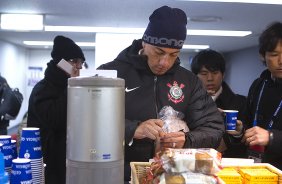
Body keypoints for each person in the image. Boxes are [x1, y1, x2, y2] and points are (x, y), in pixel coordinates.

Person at [97, 6, 224, 182]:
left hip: (171, 175)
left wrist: (187, 140)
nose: (164, 62)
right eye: (159, 52)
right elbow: (89, 122)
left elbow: (213, 128)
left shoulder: (189, 81)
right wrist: (132, 129)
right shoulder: (110, 73)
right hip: (118, 174)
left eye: (173, 55)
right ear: (144, 42)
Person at [27, 35, 86, 184]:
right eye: (74, 61)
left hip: (71, 159)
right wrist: (71, 86)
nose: (79, 67)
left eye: (81, 62)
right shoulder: (42, 89)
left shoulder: (74, 87)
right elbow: (55, 119)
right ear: (60, 62)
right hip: (49, 164)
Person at [191, 49, 247, 158]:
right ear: (195, 76)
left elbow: (245, 138)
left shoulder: (240, 102)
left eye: (215, 73)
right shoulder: (186, 101)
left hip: (228, 161)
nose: (210, 78)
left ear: (223, 74)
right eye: (204, 73)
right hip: (192, 160)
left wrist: (239, 133)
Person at [241, 22, 282, 170]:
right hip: (255, 167)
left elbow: (268, 135)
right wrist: (241, 129)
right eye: (274, 54)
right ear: (263, 56)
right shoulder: (259, 84)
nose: (281, 61)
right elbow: (248, 121)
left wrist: (271, 137)